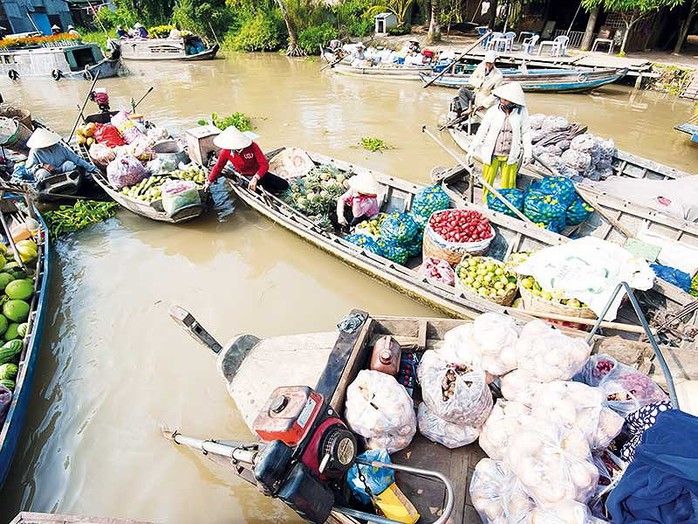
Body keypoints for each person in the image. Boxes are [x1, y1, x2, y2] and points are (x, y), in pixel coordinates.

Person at [467, 82, 532, 201]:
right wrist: (472, 148)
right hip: (493, 153)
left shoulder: (521, 112)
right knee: (487, 182)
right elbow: (482, 131)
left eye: (506, 100)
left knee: (508, 186)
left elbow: (526, 132)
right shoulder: (493, 111)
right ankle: (487, 203)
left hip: (510, 154)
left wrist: (528, 153)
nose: (502, 101)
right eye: (502, 98)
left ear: (513, 102)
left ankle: (507, 205)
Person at [205, 127, 289, 193]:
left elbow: (264, 164)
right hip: (245, 176)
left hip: (258, 174)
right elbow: (218, 167)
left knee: (284, 185)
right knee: (260, 193)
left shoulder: (252, 146)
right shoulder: (226, 151)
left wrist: (255, 178)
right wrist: (209, 181)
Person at [25, 128, 96, 182]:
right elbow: (28, 170)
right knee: (42, 173)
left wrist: (91, 168)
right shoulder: (35, 152)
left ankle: (72, 183)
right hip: (48, 174)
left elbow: (76, 159)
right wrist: (41, 166)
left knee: (69, 164)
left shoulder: (58, 147)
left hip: (62, 170)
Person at [451, 51, 503, 116]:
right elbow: (471, 79)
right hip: (476, 94)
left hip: (485, 98)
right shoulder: (480, 67)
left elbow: (496, 94)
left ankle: (473, 111)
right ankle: (466, 109)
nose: (488, 65)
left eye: (490, 63)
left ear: (494, 62)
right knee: (462, 90)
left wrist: (484, 105)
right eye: (487, 63)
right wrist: (480, 83)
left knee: (480, 116)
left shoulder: (498, 75)